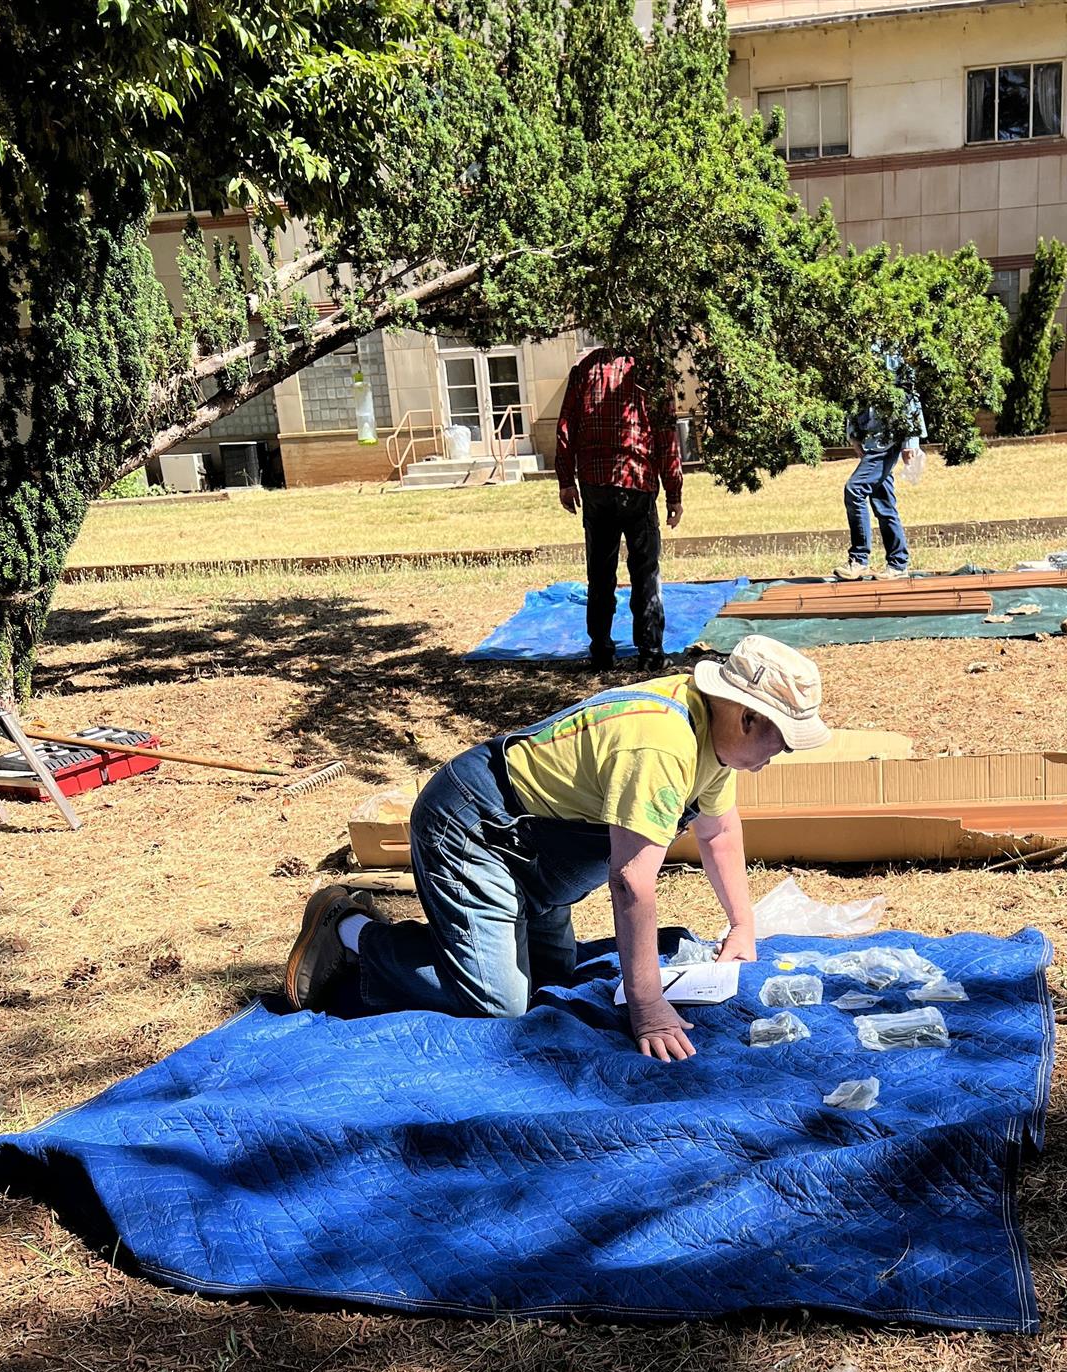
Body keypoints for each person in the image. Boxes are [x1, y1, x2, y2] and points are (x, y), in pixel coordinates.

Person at [283, 637, 831, 1062]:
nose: (776, 757)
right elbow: (631, 882)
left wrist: (742, 924)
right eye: (781, 741)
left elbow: (719, 833)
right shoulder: (662, 744)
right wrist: (646, 1006)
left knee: (551, 979)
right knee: (499, 1004)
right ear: (747, 716)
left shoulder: (715, 737)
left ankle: (481, 932)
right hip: (476, 827)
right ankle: (350, 933)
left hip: (535, 859)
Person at [554, 347, 684, 667]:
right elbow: (667, 438)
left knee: (599, 573)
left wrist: (566, 481)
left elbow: (566, 427)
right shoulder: (652, 371)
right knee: (645, 571)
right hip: (637, 482)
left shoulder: (585, 369)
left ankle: (601, 650)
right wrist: (674, 494)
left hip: (595, 485)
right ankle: (651, 653)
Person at [834, 359, 926, 582]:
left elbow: (908, 394)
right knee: (884, 504)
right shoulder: (856, 351)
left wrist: (910, 442)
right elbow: (854, 394)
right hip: (871, 440)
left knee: (854, 490)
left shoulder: (891, 350)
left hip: (888, 441)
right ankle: (898, 563)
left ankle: (859, 560)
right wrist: (853, 434)